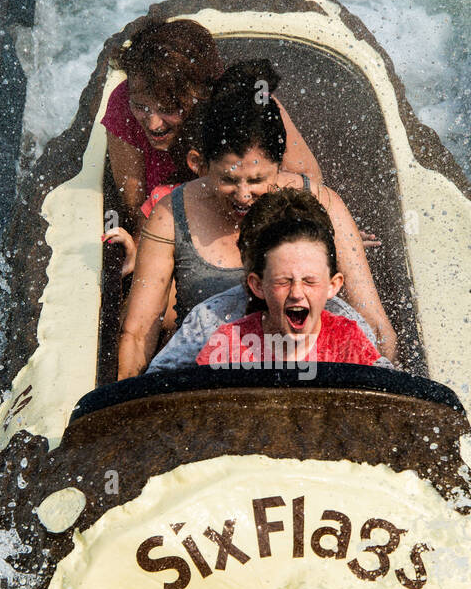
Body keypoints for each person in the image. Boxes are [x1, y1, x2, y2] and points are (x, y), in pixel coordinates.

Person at [115, 61, 397, 378]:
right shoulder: (205, 316)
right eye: (228, 180)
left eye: (257, 179)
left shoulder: (320, 205)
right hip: (211, 372)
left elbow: (373, 323)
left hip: (311, 367)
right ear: (199, 164)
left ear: (280, 166)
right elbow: (138, 334)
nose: (244, 194)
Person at [103, 18, 320, 228]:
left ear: (202, 95)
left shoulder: (249, 104)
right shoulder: (123, 102)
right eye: (141, 107)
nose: (153, 124)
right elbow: (135, 208)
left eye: (169, 109)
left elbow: (310, 183)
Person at [196, 189, 384, 370]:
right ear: (258, 285)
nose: (296, 293)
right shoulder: (229, 343)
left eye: (310, 281)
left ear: (333, 285)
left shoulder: (347, 340)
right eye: (283, 281)